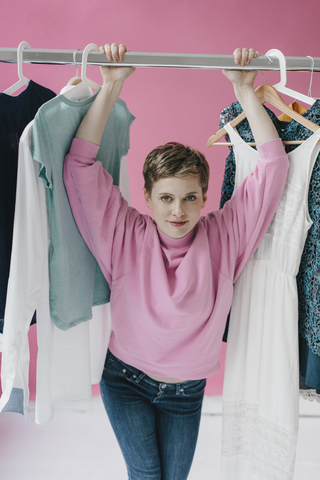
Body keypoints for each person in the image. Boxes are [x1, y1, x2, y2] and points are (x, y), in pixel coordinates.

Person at [63, 45, 290, 480]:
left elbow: (273, 166)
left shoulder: (226, 237)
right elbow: (79, 164)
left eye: (189, 198)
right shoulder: (125, 234)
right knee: (147, 475)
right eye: (165, 198)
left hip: (186, 392)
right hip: (125, 381)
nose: (177, 211)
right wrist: (111, 85)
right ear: (147, 198)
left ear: (205, 197)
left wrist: (244, 90)